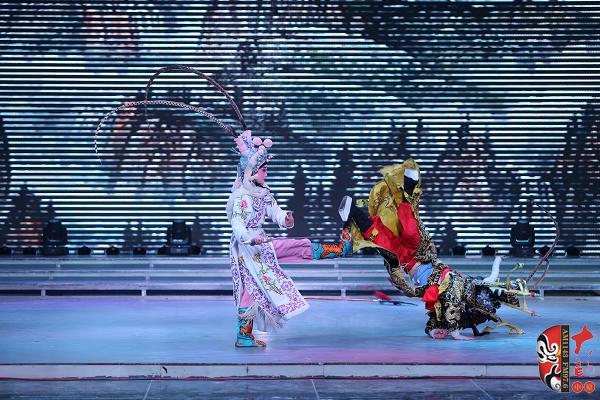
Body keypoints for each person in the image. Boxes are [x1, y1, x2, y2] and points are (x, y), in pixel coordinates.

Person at [338, 158, 525, 340]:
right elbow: (476, 286)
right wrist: (456, 334)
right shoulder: (467, 288)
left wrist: (434, 332)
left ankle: (353, 211)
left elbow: (433, 323)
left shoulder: (454, 311)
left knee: (381, 240)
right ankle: (409, 186)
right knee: (409, 228)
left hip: (408, 263)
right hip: (422, 254)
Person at [227, 129, 351, 347]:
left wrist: (286, 219)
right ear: (252, 172)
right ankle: (244, 336)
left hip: (260, 242)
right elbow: (237, 223)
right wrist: (249, 238)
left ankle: (340, 249)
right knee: (251, 288)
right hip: (247, 247)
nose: (266, 174)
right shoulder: (242, 197)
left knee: (256, 284)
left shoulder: (263, 192)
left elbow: (275, 212)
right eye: (264, 170)